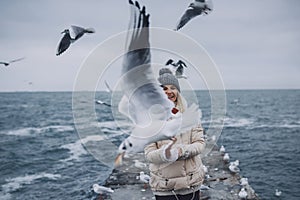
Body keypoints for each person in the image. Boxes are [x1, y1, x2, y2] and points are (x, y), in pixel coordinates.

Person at [144, 68, 206, 200]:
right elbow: (149, 154)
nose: (169, 92)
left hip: (190, 184)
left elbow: (200, 144)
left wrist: (180, 151)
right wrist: (165, 154)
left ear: (178, 91)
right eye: (164, 89)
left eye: (172, 87)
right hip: (164, 187)